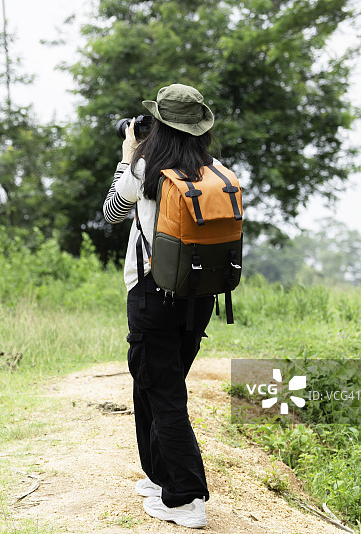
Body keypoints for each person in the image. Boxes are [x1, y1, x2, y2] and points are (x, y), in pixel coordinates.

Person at [102, 84, 218, 529]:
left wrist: (127, 153)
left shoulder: (147, 166)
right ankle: (157, 476)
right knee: (152, 383)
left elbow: (113, 212)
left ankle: (187, 498)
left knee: (164, 392)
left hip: (152, 294)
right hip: (198, 297)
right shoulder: (210, 170)